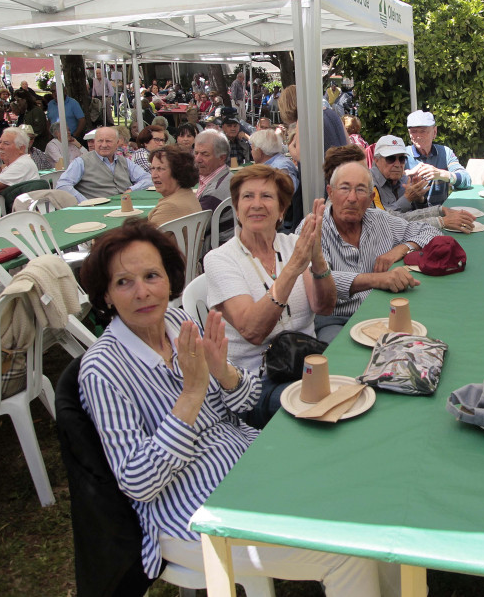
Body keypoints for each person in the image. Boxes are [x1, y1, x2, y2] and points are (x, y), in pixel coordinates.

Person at [77, 220, 380, 594]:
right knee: (347, 552)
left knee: (363, 500)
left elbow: (246, 400)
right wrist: (190, 397)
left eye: (152, 276)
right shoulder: (102, 369)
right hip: (193, 514)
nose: (142, 292)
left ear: (169, 281)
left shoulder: (176, 321)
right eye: (124, 282)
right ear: (106, 295)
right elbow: (138, 482)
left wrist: (223, 373)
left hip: (249, 465)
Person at [205, 165, 336, 427]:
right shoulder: (220, 260)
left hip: (307, 364)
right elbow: (252, 330)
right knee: (325, 407)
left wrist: (317, 258)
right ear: (236, 206)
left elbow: (323, 306)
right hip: (254, 383)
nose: (256, 204)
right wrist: (293, 268)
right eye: (247, 196)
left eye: (266, 197)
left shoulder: (291, 245)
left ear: (282, 209)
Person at [314, 162, 438, 343]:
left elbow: (430, 232)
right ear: (330, 192)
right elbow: (319, 281)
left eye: (361, 190)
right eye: (344, 188)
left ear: (371, 196)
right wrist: (378, 279)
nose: (352, 198)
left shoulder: (380, 220)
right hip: (336, 320)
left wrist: (401, 249)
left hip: (383, 314)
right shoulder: (313, 228)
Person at [370, 135, 476, 232]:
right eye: (390, 158)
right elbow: (389, 222)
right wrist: (441, 221)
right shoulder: (369, 183)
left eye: (402, 159)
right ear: (377, 160)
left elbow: (411, 215)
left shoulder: (402, 178)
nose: (397, 164)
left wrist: (422, 201)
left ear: (434, 132)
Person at [56, 126, 153, 202]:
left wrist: (131, 190)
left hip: (126, 206)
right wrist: (84, 202)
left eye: (108, 141)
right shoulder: (81, 162)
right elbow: (62, 185)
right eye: (100, 141)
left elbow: (148, 178)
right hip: (97, 211)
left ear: (117, 143)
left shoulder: (124, 161)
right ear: (94, 142)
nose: (104, 145)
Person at [404, 110, 471, 206]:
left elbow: (466, 180)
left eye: (423, 131)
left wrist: (441, 174)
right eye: (413, 131)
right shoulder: (402, 156)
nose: (418, 136)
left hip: (442, 214)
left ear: (434, 132)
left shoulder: (445, 152)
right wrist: (408, 174)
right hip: (410, 216)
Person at [195, 129, 234, 248]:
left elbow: (195, 228)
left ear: (222, 158)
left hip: (211, 252)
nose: (198, 159)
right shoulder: (227, 176)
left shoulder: (215, 192)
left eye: (205, 154)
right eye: (196, 153)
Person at [146, 146, 203, 227]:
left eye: (160, 169)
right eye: (152, 168)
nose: (154, 175)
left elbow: (145, 238)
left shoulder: (169, 207)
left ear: (178, 172)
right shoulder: (189, 194)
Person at [0, 127, 41, 192]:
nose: (0, 147)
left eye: (6, 143)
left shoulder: (21, 164)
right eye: (0, 142)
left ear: (21, 149)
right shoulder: (17, 163)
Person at [251, 128, 298, 194]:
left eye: (252, 148)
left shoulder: (280, 166)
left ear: (259, 151)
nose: (251, 152)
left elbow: (288, 192)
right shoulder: (276, 162)